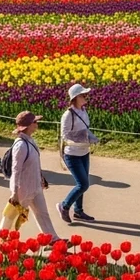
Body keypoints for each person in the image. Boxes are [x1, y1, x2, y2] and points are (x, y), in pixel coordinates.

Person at [1, 111, 57, 238]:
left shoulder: (31, 140)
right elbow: (16, 170)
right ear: (27, 126)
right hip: (23, 190)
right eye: (35, 122)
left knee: (42, 213)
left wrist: (41, 178)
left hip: (35, 186)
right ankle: (1, 240)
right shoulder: (20, 145)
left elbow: (34, 164)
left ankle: (52, 239)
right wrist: (14, 193)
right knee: (11, 217)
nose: (37, 124)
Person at [57, 83, 98, 224]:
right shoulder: (68, 115)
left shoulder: (84, 111)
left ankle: (78, 211)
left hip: (84, 152)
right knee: (83, 184)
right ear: (75, 98)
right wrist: (79, 139)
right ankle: (64, 205)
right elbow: (64, 135)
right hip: (72, 154)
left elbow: (86, 129)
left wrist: (92, 138)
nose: (86, 97)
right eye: (82, 95)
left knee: (82, 182)